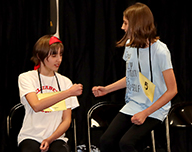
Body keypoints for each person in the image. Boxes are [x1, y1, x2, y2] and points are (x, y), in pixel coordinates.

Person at [92, 2, 177, 152]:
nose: (122, 27)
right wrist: (107, 89)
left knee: (127, 143)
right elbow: (132, 77)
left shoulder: (161, 51)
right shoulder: (130, 46)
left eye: (125, 23)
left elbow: (172, 91)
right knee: (106, 140)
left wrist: (145, 113)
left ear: (137, 24)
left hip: (156, 108)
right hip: (134, 104)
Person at [18, 35, 83, 152]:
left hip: (57, 138)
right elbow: (36, 106)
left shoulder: (65, 81)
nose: (59, 60)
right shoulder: (26, 78)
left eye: (61, 55)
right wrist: (68, 93)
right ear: (40, 56)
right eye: (54, 55)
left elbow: (66, 120)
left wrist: (50, 139)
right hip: (30, 137)